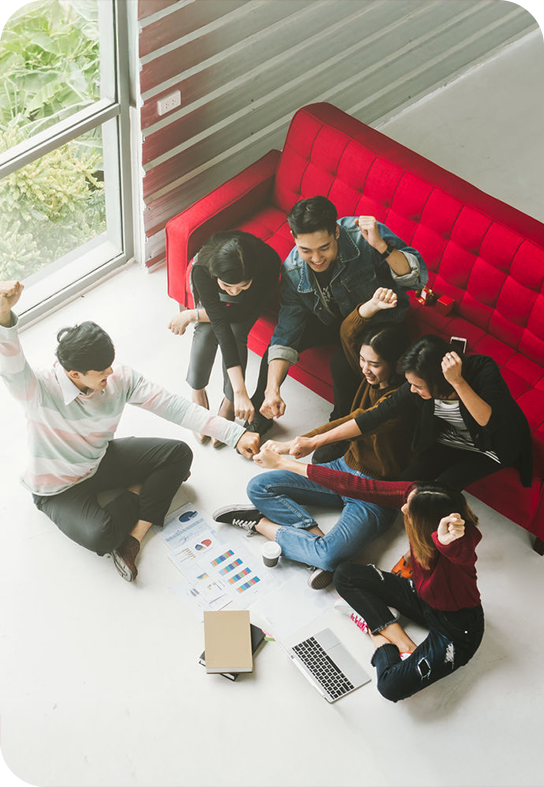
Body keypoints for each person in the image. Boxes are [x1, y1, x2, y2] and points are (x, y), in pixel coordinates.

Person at [0, 281, 260, 582]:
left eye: (110, 366)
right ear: (74, 374)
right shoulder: (38, 391)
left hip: (99, 460)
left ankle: (135, 537)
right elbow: (12, 366)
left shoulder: (119, 377)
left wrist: (235, 435)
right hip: (58, 489)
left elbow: (173, 406)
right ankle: (138, 493)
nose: (110, 376)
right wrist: (5, 316)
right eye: (101, 373)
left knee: (179, 454)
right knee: (102, 535)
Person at [288, 332, 532, 578]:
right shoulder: (417, 384)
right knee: (404, 484)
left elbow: (487, 423)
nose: (412, 390)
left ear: (439, 379)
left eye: (418, 385)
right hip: (453, 440)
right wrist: (315, 440)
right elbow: (376, 415)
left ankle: (419, 554)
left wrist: (458, 382)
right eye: (411, 384)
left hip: (492, 445)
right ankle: (342, 544)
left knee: (437, 493)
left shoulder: (482, 369)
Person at [251, 452, 485, 702]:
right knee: (344, 574)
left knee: (389, 686)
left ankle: (379, 635)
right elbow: (357, 486)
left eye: (410, 508)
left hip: (457, 627)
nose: (403, 507)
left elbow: (462, 555)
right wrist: (284, 463)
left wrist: (445, 542)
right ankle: (401, 640)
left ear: (428, 521)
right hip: (420, 594)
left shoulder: (461, 540)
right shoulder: (416, 495)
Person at [213, 305, 415, 589]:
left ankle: (259, 524)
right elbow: (348, 331)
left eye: (375, 363)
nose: (365, 369)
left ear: (395, 363)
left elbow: (356, 420)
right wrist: (371, 307)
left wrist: (296, 444)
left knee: (330, 555)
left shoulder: (400, 402)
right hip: (342, 468)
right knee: (258, 486)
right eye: (362, 359)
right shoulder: (371, 377)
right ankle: (312, 548)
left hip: (374, 494)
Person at [246, 195, 427, 435]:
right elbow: (287, 332)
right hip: (330, 319)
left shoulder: (363, 236)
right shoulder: (292, 269)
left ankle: (339, 427)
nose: (317, 259)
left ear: (337, 232)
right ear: (294, 238)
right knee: (275, 348)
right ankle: (262, 407)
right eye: (306, 250)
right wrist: (272, 390)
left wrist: (382, 247)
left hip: (378, 319)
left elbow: (417, 280)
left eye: (324, 247)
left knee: (341, 366)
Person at [168, 230, 280, 446]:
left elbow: (242, 314)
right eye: (228, 287)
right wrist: (197, 316)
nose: (235, 292)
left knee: (237, 332)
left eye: (242, 286)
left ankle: (228, 402)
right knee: (206, 329)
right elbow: (218, 322)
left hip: (251, 302)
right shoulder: (202, 269)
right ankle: (197, 392)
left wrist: (239, 393)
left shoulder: (267, 266)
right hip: (214, 278)